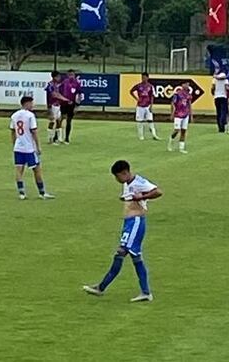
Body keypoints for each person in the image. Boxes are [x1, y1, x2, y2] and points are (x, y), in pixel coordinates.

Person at [83, 160, 163, 302]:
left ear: (125, 173)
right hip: (130, 223)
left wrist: (142, 197)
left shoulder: (139, 182)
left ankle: (101, 288)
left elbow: (158, 191)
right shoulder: (128, 184)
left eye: (117, 176)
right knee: (136, 257)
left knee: (121, 253)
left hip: (136, 222)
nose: (117, 180)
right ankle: (145, 292)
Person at [10, 96, 55, 200]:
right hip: (29, 148)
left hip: (18, 147)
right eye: (31, 103)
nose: (33, 105)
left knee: (19, 169)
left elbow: (12, 131)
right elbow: (34, 131)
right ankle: (42, 193)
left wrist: (14, 144)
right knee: (37, 170)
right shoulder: (30, 116)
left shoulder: (14, 115)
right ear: (26, 103)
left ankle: (21, 193)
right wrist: (38, 146)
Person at [130, 72, 160, 141]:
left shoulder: (150, 86)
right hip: (140, 106)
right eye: (142, 77)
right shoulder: (138, 86)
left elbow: (152, 96)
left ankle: (154, 135)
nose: (143, 79)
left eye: (144, 77)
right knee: (140, 121)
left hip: (147, 105)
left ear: (147, 78)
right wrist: (136, 98)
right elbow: (131, 91)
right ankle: (141, 136)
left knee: (150, 120)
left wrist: (151, 106)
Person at [167, 80, 192, 154]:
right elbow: (172, 103)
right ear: (182, 85)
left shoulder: (188, 95)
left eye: (188, 85)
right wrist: (172, 113)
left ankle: (181, 148)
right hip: (178, 114)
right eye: (186, 84)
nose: (187, 86)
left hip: (185, 114)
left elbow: (189, 105)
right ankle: (170, 142)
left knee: (183, 131)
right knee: (177, 130)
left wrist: (191, 114)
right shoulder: (177, 94)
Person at [45, 71, 68, 145]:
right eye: (58, 77)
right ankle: (50, 139)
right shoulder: (50, 85)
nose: (59, 78)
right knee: (52, 121)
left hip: (58, 105)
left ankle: (59, 138)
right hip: (52, 105)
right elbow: (54, 95)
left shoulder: (57, 85)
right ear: (54, 77)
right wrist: (65, 99)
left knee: (59, 120)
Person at [61, 70, 82, 145]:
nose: (71, 76)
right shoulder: (64, 82)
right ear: (67, 75)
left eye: (72, 75)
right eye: (70, 75)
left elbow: (79, 94)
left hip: (72, 104)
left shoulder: (77, 83)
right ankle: (58, 136)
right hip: (63, 103)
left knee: (69, 120)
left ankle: (67, 138)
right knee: (61, 119)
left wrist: (77, 106)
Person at [212, 69, 228, 133]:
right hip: (223, 96)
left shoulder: (214, 80)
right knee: (223, 112)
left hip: (216, 96)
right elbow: (226, 87)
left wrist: (214, 93)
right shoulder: (225, 80)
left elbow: (212, 88)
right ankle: (223, 123)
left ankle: (220, 128)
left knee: (218, 113)